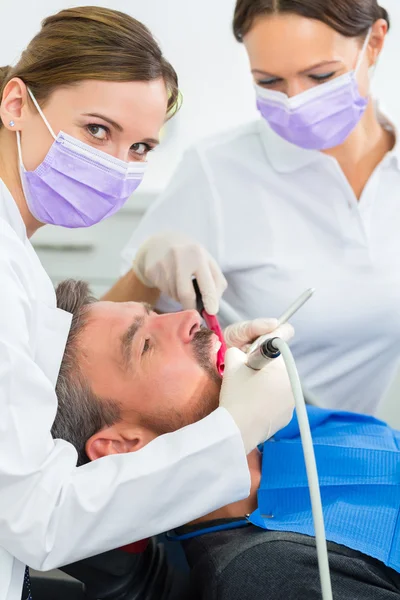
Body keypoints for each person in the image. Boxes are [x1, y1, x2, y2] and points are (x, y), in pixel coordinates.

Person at [0, 8, 296, 600]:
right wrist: (233, 429)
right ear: (15, 105)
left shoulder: (18, 261)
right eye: (97, 130)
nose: (117, 163)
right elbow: (40, 519)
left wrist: (187, 333)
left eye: (140, 146)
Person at [105, 0, 400, 416]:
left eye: (321, 75)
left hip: (355, 449)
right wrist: (144, 271)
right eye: (270, 82)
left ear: (374, 43)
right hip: (241, 451)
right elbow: (100, 355)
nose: (295, 101)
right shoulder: (217, 170)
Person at [53, 279, 400, 600]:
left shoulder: (282, 422)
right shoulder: (269, 576)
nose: (189, 316)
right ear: (122, 445)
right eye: (146, 345)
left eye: (154, 312)